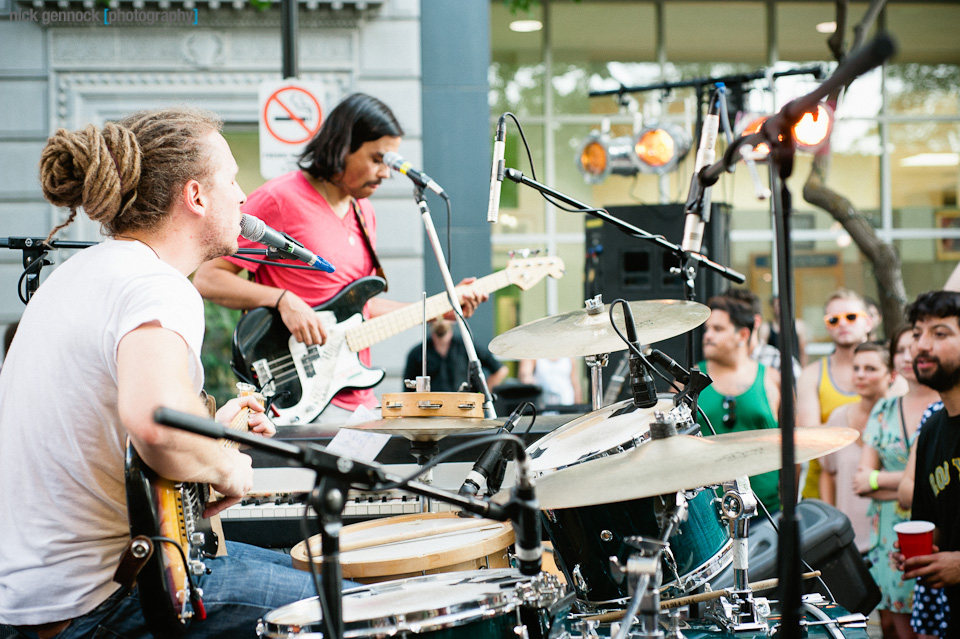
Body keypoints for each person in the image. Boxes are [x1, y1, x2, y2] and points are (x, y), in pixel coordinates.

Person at [0, 109, 325, 637]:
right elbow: (156, 426)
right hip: (104, 602)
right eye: (232, 180)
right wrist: (230, 471)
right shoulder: (157, 284)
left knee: (304, 573)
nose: (245, 197)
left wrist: (214, 442)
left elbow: (112, 448)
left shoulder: (79, 275)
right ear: (195, 196)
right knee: (352, 605)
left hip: (38, 600)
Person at [193, 93, 485, 424]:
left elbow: (359, 309)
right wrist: (284, 300)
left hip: (356, 396)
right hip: (303, 397)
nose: (385, 173)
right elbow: (209, 278)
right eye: (377, 159)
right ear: (343, 146)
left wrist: (435, 310)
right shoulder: (279, 199)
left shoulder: (364, 212)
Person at [855, 326, 941, 638]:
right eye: (899, 350)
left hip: (936, 530)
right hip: (890, 533)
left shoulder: (947, 408)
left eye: (913, 347)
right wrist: (915, 486)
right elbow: (862, 482)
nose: (908, 356)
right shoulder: (884, 409)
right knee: (895, 629)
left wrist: (885, 481)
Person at [899, 290, 960, 639]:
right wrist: (918, 553)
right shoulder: (933, 430)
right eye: (918, 332)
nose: (922, 345)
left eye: (940, 334)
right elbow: (934, 525)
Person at [695, 292, 782, 514]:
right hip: (708, 514)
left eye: (718, 329)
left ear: (743, 334)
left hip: (768, 512)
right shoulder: (688, 380)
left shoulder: (773, 379)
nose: (707, 335)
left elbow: (795, 447)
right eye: (707, 329)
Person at [797, 289, 873, 499]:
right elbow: (812, 440)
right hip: (820, 497)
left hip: (875, 494)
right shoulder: (811, 376)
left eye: (850, 317)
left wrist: (832, 430)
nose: (842, 323)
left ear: (868, 322)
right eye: (833, 319)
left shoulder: (889, 373)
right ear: (827, 326)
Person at [819, 341, 894, 554]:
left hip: (891, 535)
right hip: (849, 540)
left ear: (891, 375)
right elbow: (828, 472)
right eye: (856, 368)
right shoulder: (838, 417)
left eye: (870, 369)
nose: (860, 375)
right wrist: (832, 523)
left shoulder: (900, 420)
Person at [403, 318, 507, 393]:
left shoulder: (466, 346)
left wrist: (484, 394)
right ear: (429, 319)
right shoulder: (416, 353)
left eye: (445, 315)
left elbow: (500, 370)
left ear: (452, 318)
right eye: (437, 315)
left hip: (462, 412)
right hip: (430, 414)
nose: (440, 319)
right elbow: (407, 391)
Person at [517, 358, 582, 407]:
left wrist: (578, 408)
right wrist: (526, 377)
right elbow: (525, 375)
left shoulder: (569, 357)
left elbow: (575, 384)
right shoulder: (534, 356)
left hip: (567, 405)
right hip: (543, 408)